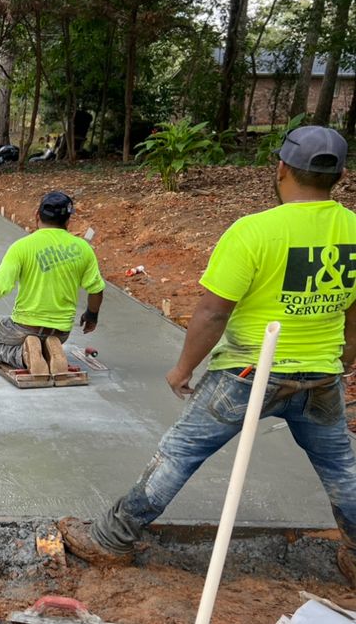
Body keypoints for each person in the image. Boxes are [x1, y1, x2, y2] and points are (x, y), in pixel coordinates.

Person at [59, 126, 356, 586]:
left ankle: (111, 538)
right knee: (341, 468)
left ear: (280, 168)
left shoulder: (254, 231)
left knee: (178, 454)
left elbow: (213, 313)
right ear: (338, 176)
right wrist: (345, 357)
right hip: (320, 376)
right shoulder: (353, 229)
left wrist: (183, 368)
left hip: (245, 372)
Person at [0, 191, 105, 375]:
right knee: (49, 337)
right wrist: (91, 315)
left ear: (37, 216)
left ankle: (25, 357)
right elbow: (96, 289)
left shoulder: (22, 247)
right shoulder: (83, 248)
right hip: (61, 331)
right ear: (68, 220)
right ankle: (50, 352)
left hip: (23, 327)